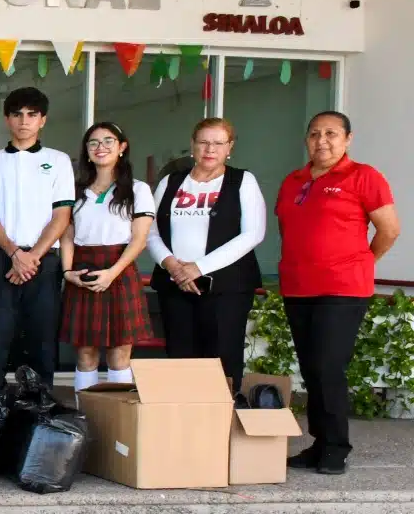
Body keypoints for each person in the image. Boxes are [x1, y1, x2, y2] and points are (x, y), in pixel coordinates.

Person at [277, 112, 400, 475]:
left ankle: (336, 446)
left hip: (342, 289)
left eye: (331, 133)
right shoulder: (293, 180)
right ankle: (319, 442)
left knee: (329, 367)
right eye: (314, 134)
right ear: (306, 140)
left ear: (348, 139)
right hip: (299, 288)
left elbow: (389, 230)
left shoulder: (364, 176)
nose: (322, 141)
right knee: (311, 369)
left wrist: (361, 260)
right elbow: (288, 228)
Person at [147, 116, 266, 391]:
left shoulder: (242, 181)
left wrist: (198, 268)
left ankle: (220, 426)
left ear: (230, 147)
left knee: (222, 359)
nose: (210, 149)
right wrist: (173, 266)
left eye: (218, 143)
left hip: (226, 289)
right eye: (203, 142)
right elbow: (150, 232)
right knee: (180, 357)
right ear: (193, 145)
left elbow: (253, 234)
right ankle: (185, 423)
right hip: (174, 285)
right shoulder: (171, 182)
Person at [0, 87, 73, 390]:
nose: (24, 121)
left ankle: (40, 408)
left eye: (32, 114)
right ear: (7, 119)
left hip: (44, 260)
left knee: (42, 339)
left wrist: (32, 258)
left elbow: (62, 216)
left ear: (42, 120)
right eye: (17, 114)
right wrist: (16, 254)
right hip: (2, 258)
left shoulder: (58, 161)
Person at [60, 122, 155, 394]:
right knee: (85, 354)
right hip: (82, 269)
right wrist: (68, 273)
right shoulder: (75, 191)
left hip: (120, 269)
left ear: (122, 147)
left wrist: (112, 273)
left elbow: (139, 239)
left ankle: (117, 421)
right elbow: (67, 236)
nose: (100, 147)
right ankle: (86, 418)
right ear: (87, 152)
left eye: (108, 141)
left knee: (119, 353)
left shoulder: (137, 190)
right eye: (93, 143)